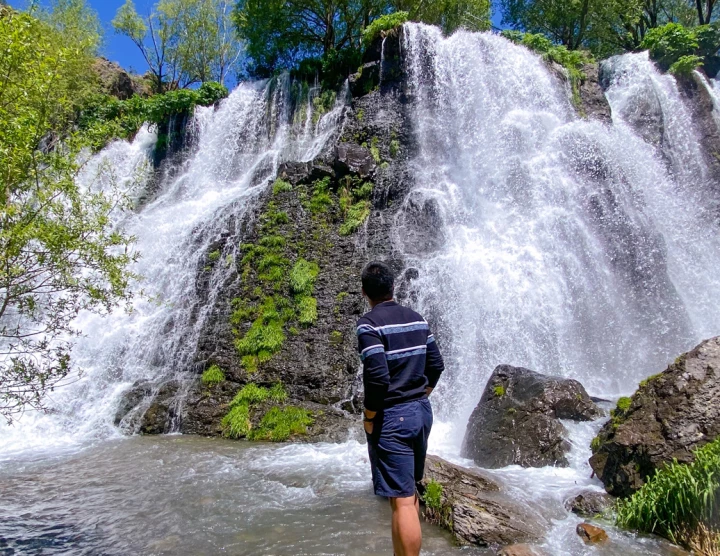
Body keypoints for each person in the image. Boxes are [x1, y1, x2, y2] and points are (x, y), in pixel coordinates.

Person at [357, 261, 445, 556]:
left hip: (393, 416)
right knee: (405, 495)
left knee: (404, 499)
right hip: (421, 411)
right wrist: (422, 393)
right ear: (392, 288)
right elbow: (437, 364)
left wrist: (370, 415)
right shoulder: (417, 318)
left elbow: (378, 376)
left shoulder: (369, 323)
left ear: (364, 292)